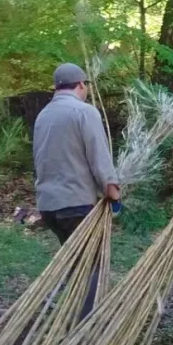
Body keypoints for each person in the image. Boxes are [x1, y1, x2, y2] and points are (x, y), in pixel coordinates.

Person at [33, 63, 120, 318]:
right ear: (81, 85)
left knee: (76, 261)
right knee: (94, 264)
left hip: (48, 205)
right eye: (87, 86)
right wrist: (112, 189)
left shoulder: (44, 115)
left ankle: (67, 308)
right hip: (76, 204)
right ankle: (85, 323)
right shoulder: (84, 112)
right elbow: (99, 154)